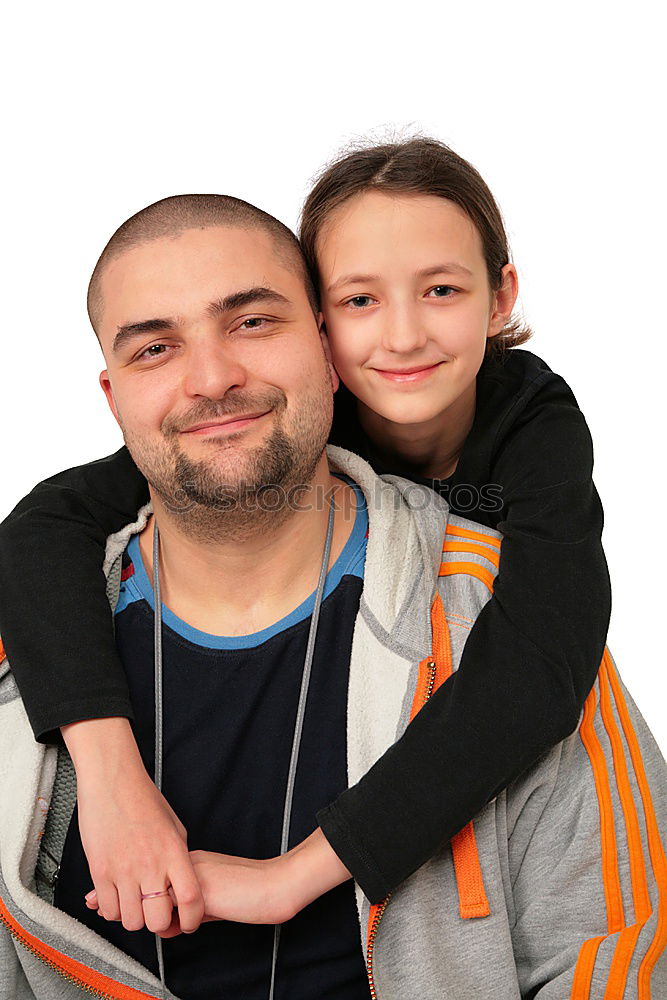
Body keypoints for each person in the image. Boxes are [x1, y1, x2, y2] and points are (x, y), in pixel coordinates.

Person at [0, 195, 664, 1000]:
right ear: (112, 396)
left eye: (250, 322)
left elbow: (618, 957)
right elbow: (42, 520)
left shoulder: (503, 611)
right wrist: (105, 772)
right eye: (155, 348)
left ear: (323, 348)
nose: (212, 379)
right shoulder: (27, 628)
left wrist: (294, 875)